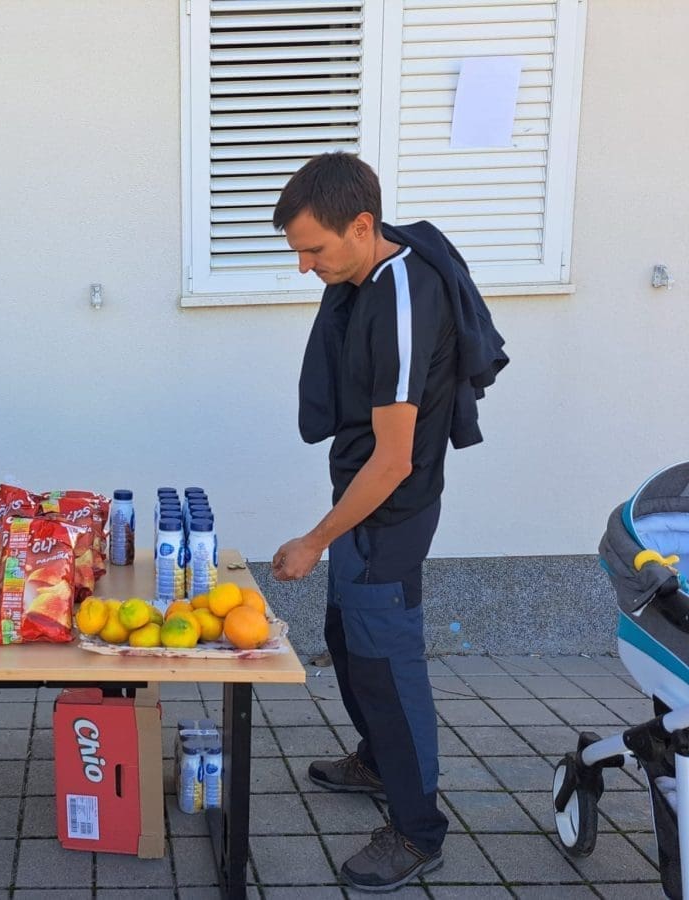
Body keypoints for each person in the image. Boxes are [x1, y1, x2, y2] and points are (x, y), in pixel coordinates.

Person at [269, 152, 507, 893]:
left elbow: (395, 459)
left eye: (313, 249)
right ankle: (376, 762)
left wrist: (315, 539)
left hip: (389, 512)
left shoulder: (401, 302)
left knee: (385, 668)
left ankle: (416, 830)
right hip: (363, 503)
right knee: (346, 638)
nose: (305, 267)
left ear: (362, 225)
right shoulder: (371, 269)